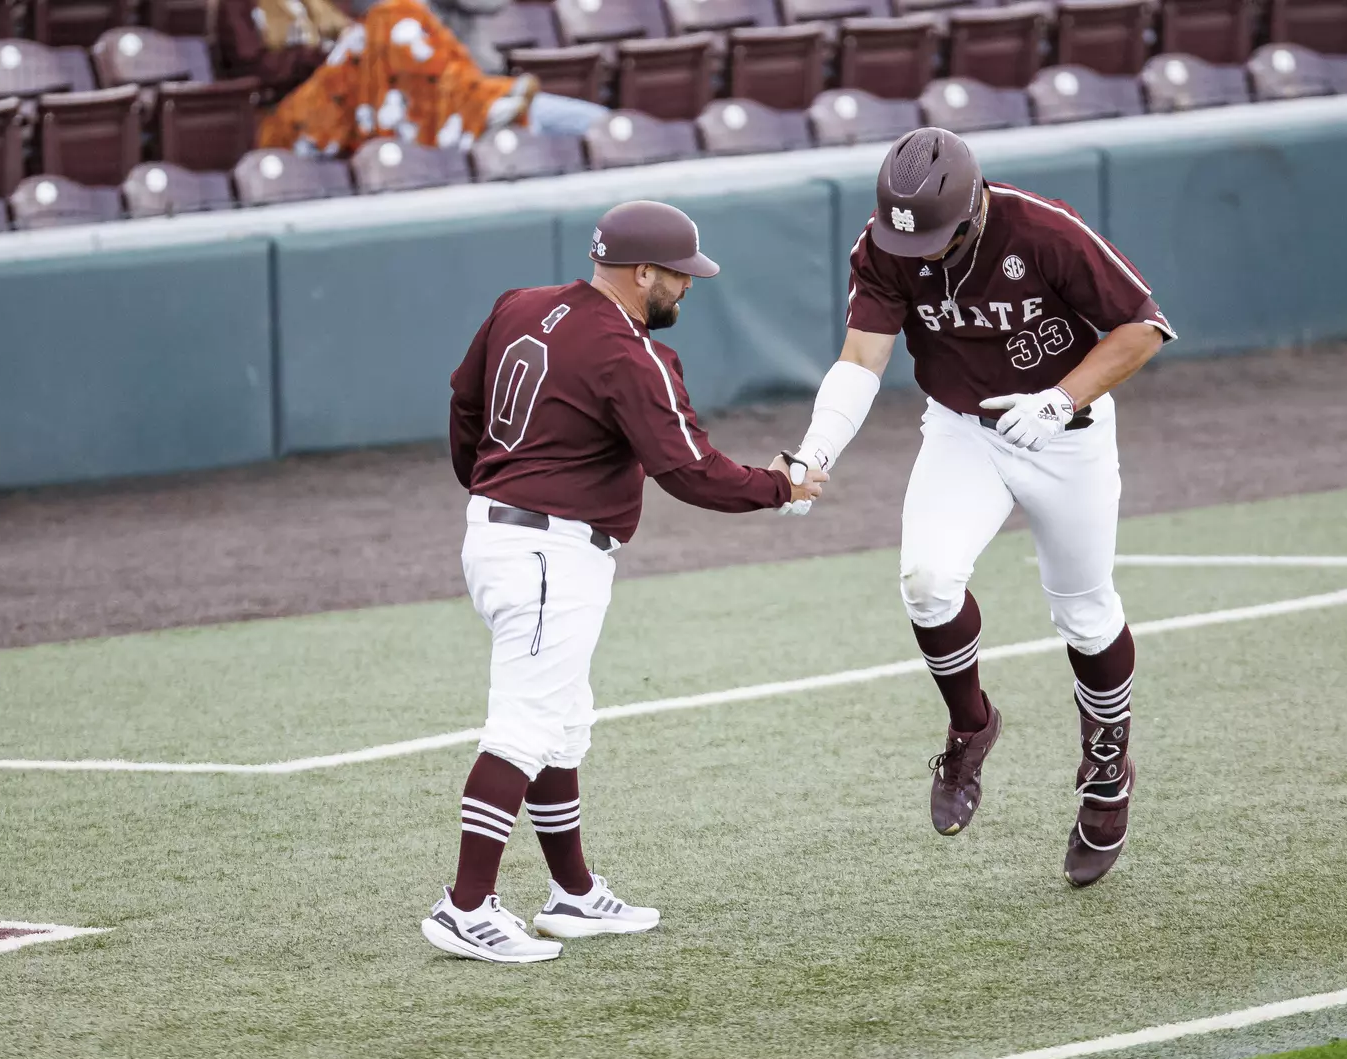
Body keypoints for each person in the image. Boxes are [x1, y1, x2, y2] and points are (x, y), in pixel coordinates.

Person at [424, 200, 827, 964]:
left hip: (508, 535)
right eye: (680, 276)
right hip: (547, 549)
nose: (689, 289)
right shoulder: (627, 349)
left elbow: (464, 403)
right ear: (642, 272)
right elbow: (688, 469)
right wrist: (779, 487)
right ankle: (465, 904)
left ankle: (572, 894)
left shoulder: (521, 305)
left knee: (563, 722)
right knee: (527, 726)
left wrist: (484, 487)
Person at [785, 127, 1175, 887]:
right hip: (964, 427)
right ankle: (971, 726)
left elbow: (1145, 328)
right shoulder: (885, 245)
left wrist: (1061, 400)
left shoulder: (1043, 229)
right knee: (928, 580)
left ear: (973, 208)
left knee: (1085, 612)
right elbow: (862, 356)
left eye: (935, 235)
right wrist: (816, 450)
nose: (921, 253)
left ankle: (1106, 768)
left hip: (1067, 433)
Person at [256, 0, 605, 157]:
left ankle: (481, 107)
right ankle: (478, 110)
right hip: (405, 91)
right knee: (396, 16)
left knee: (599, 123)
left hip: (478, 81)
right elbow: (371, 15)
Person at [210, 0, 350, 96]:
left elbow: (343, 29)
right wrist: (312, 58)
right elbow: (252, 67)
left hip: (328, 88)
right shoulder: (237, 4)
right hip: (277, 102)